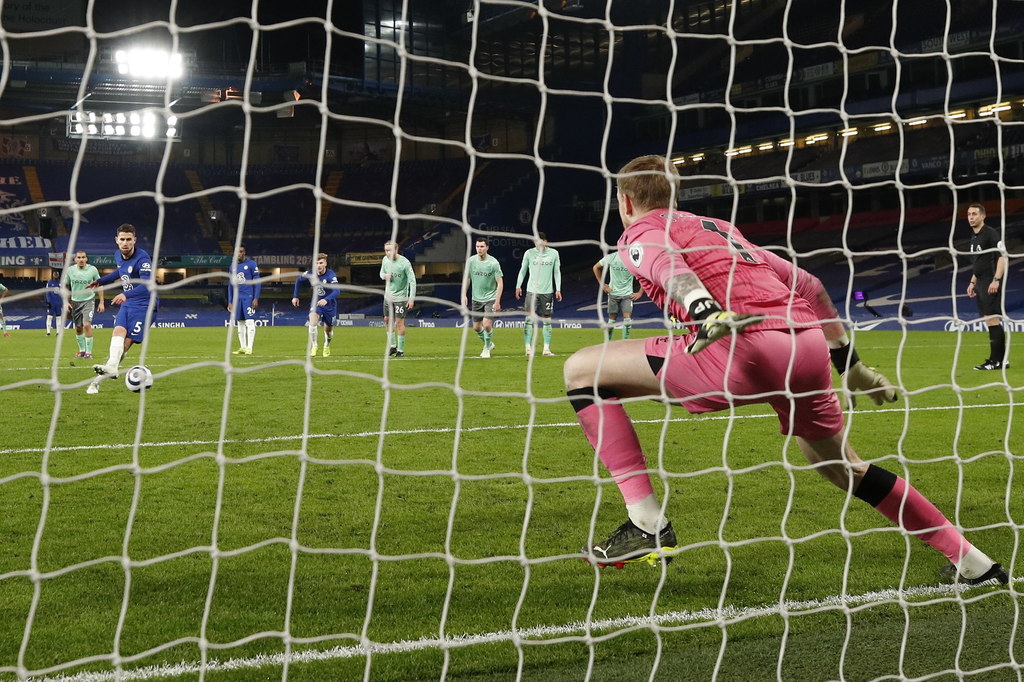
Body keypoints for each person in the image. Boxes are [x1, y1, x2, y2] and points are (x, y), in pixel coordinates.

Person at [564, 155, 1005, 588]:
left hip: (741, 347)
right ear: (675, 194)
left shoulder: (640, 231)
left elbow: (665, 264)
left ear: (625, 201)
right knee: (843, 467)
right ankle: (973, 562)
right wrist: (850, 364)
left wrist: (704, 309)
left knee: (581, 370)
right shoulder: (719, 228)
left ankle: (646, 522)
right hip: (807, 345)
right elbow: (810, 285)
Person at [87, 224, 157, 394]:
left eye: (128, 239)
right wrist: (101, 281)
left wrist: (126, 294)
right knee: (118, 330)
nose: (125, 243)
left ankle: (100, 379)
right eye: (122, 239)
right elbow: (120, 272)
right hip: (129, 303)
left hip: (145, 305)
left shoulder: (143, 259)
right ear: (116, 240)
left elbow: (147, 285)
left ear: (135, 240)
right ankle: (110, 368)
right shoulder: (118, 255)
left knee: (126, 343)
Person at [965, 204, 1009, 370]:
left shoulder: (990, 233)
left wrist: (996, 279)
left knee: (992, 319)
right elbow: (979, 263)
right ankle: (1001, 360)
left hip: (990, 281)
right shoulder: (974, 237)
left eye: (974, 214)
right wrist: (972, 282)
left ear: (983, 216)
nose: (971, 217)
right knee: (989, 320)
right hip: (980, 282)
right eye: (969, 214)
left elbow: (1002, 257)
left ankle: (996, 361)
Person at [515, 232, 562, 356]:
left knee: (547, 320)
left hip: (547, 292)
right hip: (532, 291)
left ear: (545, 241)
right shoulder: (529, 253)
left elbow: (556, 272)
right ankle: (528, 349)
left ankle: (546, 349)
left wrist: (558, 289)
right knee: (528, 319)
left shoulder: (554, 253)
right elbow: (523, 270)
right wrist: (518, 285)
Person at [461, 236, 503, 358]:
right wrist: (463, 294)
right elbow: (467, 278)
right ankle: (489, 343)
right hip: (476, 298)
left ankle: (486, 349)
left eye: (482, 246)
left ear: (487, 247)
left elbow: (500, 283)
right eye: (477, 246)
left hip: (491, 298)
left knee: (487, 324)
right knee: (476, 327)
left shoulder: (493, 263)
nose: (479, 249)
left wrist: (497, 302)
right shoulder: (471, 261)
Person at [291, 252, 339, 357]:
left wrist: (326, 299)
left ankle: (326, 345)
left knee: (328, 330)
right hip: (316, 302)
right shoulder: (310, 273)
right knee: (312, 321)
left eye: (321, 263)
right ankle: (314, 346)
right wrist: (295, 296)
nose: (319, 265)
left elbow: (337, 291)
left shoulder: (331, 275)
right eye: (316, 263)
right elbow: (298, 280)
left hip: (329, 304)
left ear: (325, 263)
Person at [62, 251, 105, 358]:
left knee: (86, 325)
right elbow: (65, 286)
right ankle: (82, 351)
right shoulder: (70, 270)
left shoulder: (92, 270)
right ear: (75, 259)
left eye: (83, 257)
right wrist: (66, 301)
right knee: (78, 328)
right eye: (79, 257)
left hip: (88, 301)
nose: (81, 259)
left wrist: (101, 302)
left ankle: (88, 353)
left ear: (86, 259)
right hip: (75, 302)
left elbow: (100, 285)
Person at [593, 251, 642, 341]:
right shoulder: (612, 257)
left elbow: (644, 275)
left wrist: (640, 292)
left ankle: (625, 343)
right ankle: (608, 342)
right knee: (612, 320)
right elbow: (596, 267)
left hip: (627, 295)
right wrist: (602, 284)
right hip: (613, 294)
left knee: (627, 321)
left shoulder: (633, 259)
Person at [380, 241, 416, 357]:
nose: (388, 253)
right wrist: (384, 276)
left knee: (399, 322)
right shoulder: (385, 260)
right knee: (387, 320)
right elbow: (381, 273)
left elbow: (412, 281)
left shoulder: (404, 263)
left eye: (390, 250)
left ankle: (400, 350)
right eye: (386, 250)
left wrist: (411, 298)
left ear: (396, 250)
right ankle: (392, 346)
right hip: (388, 297)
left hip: (400, 297)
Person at [227, 243, 261, 355]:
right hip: (237, 299)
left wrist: (256, 298)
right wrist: (230, 301)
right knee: (240, 323)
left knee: (250, 322)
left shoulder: (251, 264)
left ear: (244, 252)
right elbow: (230, 285)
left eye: (241, 252)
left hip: (248, 297)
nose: (239, 254)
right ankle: (243, 347)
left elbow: (257, 282)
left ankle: (249, 348)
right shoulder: (232, 267)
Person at [44, 269, 63, 336]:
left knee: (58, 317)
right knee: (49, 317)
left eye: (57, 275)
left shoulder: (61, 283)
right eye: (55, 275)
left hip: (59, 303)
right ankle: (48, 332)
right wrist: (48, 301)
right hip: (51, 303)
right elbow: (47, 293)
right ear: (53, 275)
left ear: (58, 275)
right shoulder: (49, 283)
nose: (56, 276)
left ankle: (58, 332)